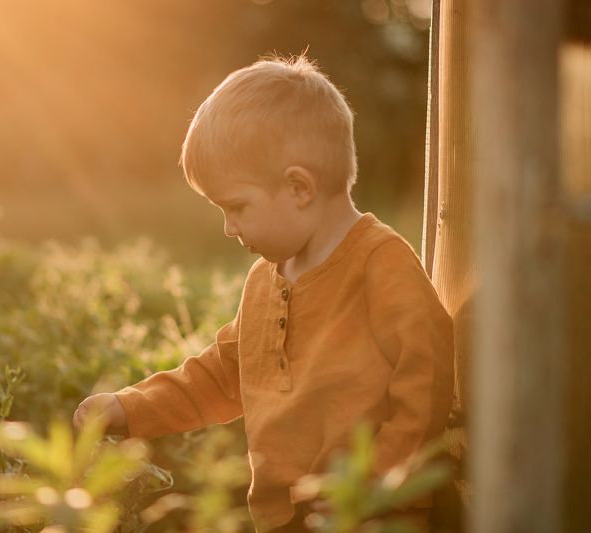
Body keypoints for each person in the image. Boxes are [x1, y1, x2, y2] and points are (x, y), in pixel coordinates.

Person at [73, 53, 454, 532]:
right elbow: (219, 376)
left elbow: (427, 381)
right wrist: (130, 407)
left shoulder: (380, 263)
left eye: (236, 206)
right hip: (282, 518)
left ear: (299, 187)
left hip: (370, 515)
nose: (229, 228)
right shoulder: (263, 281)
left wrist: (377, 481)